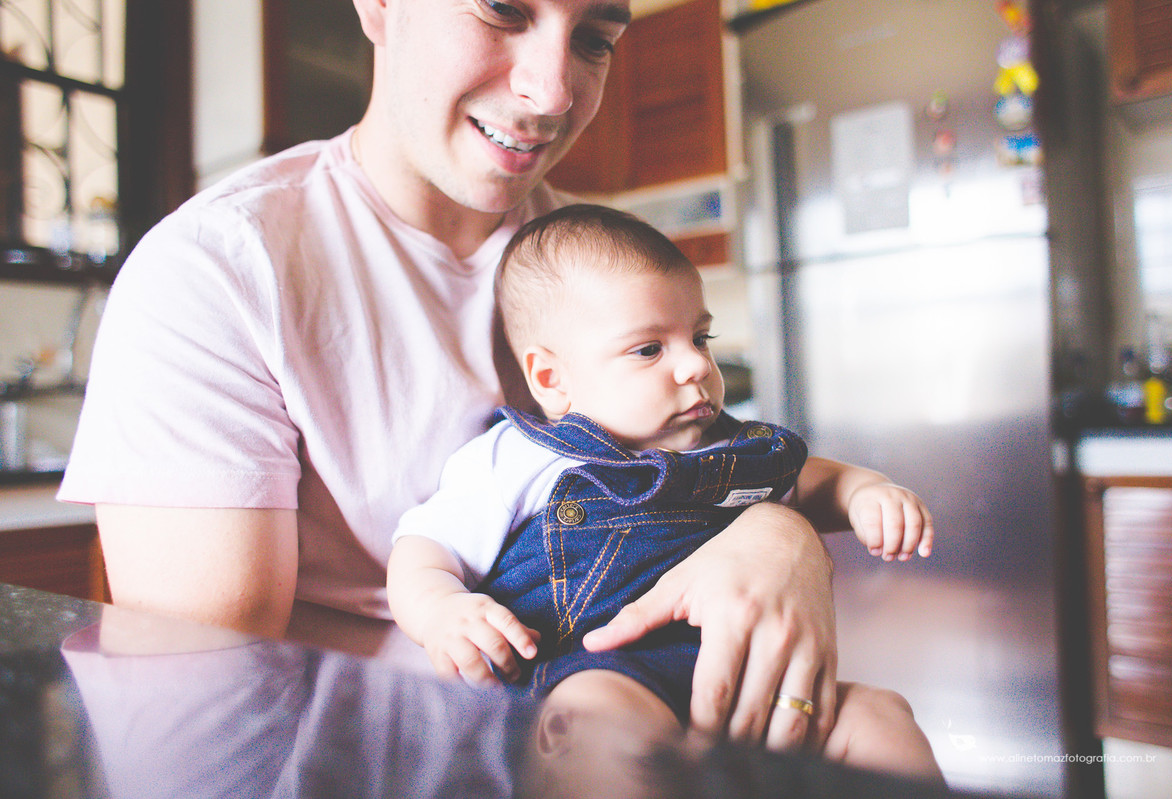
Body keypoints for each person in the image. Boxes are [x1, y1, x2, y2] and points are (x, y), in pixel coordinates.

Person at [58, 0, 899, 753]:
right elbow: (215, 677)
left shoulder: (589, 272)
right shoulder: (217, 271)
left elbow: (708, 469)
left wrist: (784, 538)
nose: (554, 90)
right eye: (501, 8)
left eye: (596, 39)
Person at [386, 204, 941, 779]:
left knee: (882, 718)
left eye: (700, 337)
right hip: (597, 669)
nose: (695, 365)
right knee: (597, 727)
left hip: (752, 682)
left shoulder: (730, 449)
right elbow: (425, 546)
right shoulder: (521, 457)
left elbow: (807, 481)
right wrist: (440, 610)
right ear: (551, 379)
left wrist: (864, 490)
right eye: (649, 349)